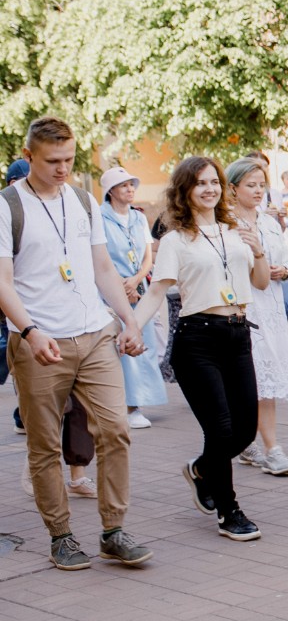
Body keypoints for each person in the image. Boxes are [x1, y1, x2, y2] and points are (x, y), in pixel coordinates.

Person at [0, 117, 152, 569]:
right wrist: (29, 331)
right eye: (52, 161)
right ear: (29, 157)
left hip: (95, 334)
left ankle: (113, 530)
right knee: (44, 444)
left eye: (69, 159)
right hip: (37, 342)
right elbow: (3, 282)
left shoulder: (85, 201)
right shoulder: (8, 207)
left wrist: (129, 320)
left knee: (116, 431)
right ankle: (61, 535)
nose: (62, 168)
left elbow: (102, 268)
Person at [132, 155, 271, 543]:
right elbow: (157, 291)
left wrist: (258, 249)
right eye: (199, 183)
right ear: (185, 191)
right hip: (198, 338)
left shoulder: (236, 230)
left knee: (245, 429)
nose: (209, 189)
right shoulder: (176, 239)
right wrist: (131, 329)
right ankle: (229, 511)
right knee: (221, 428)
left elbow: (260, 282)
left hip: (238, 333)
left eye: (214, 182)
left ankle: (201, 470)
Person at [223, 158, 288, 477]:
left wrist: (282, 271)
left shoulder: (269, 222)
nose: (258, 191)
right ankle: (247, 441)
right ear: (233, 188)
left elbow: (281, 262)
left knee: (266, 377)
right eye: (250, 185)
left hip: (269, 305)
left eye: (261, 185)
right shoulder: (225, 224)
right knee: (245, 380)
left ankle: (271, 447)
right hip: (241, 306)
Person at [99, 167, 166, 430]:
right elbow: (101, 258)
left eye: (131, 184)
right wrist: (120, 285)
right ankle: (124, 405)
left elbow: (148, 255)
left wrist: (137, 279)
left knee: (142, 342)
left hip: (139, 288)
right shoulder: (100, 218)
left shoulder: (139, 218)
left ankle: (138, 402)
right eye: (123, 185)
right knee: (116, 346)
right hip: (110, 290)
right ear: (111, 191)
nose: (130, 189)